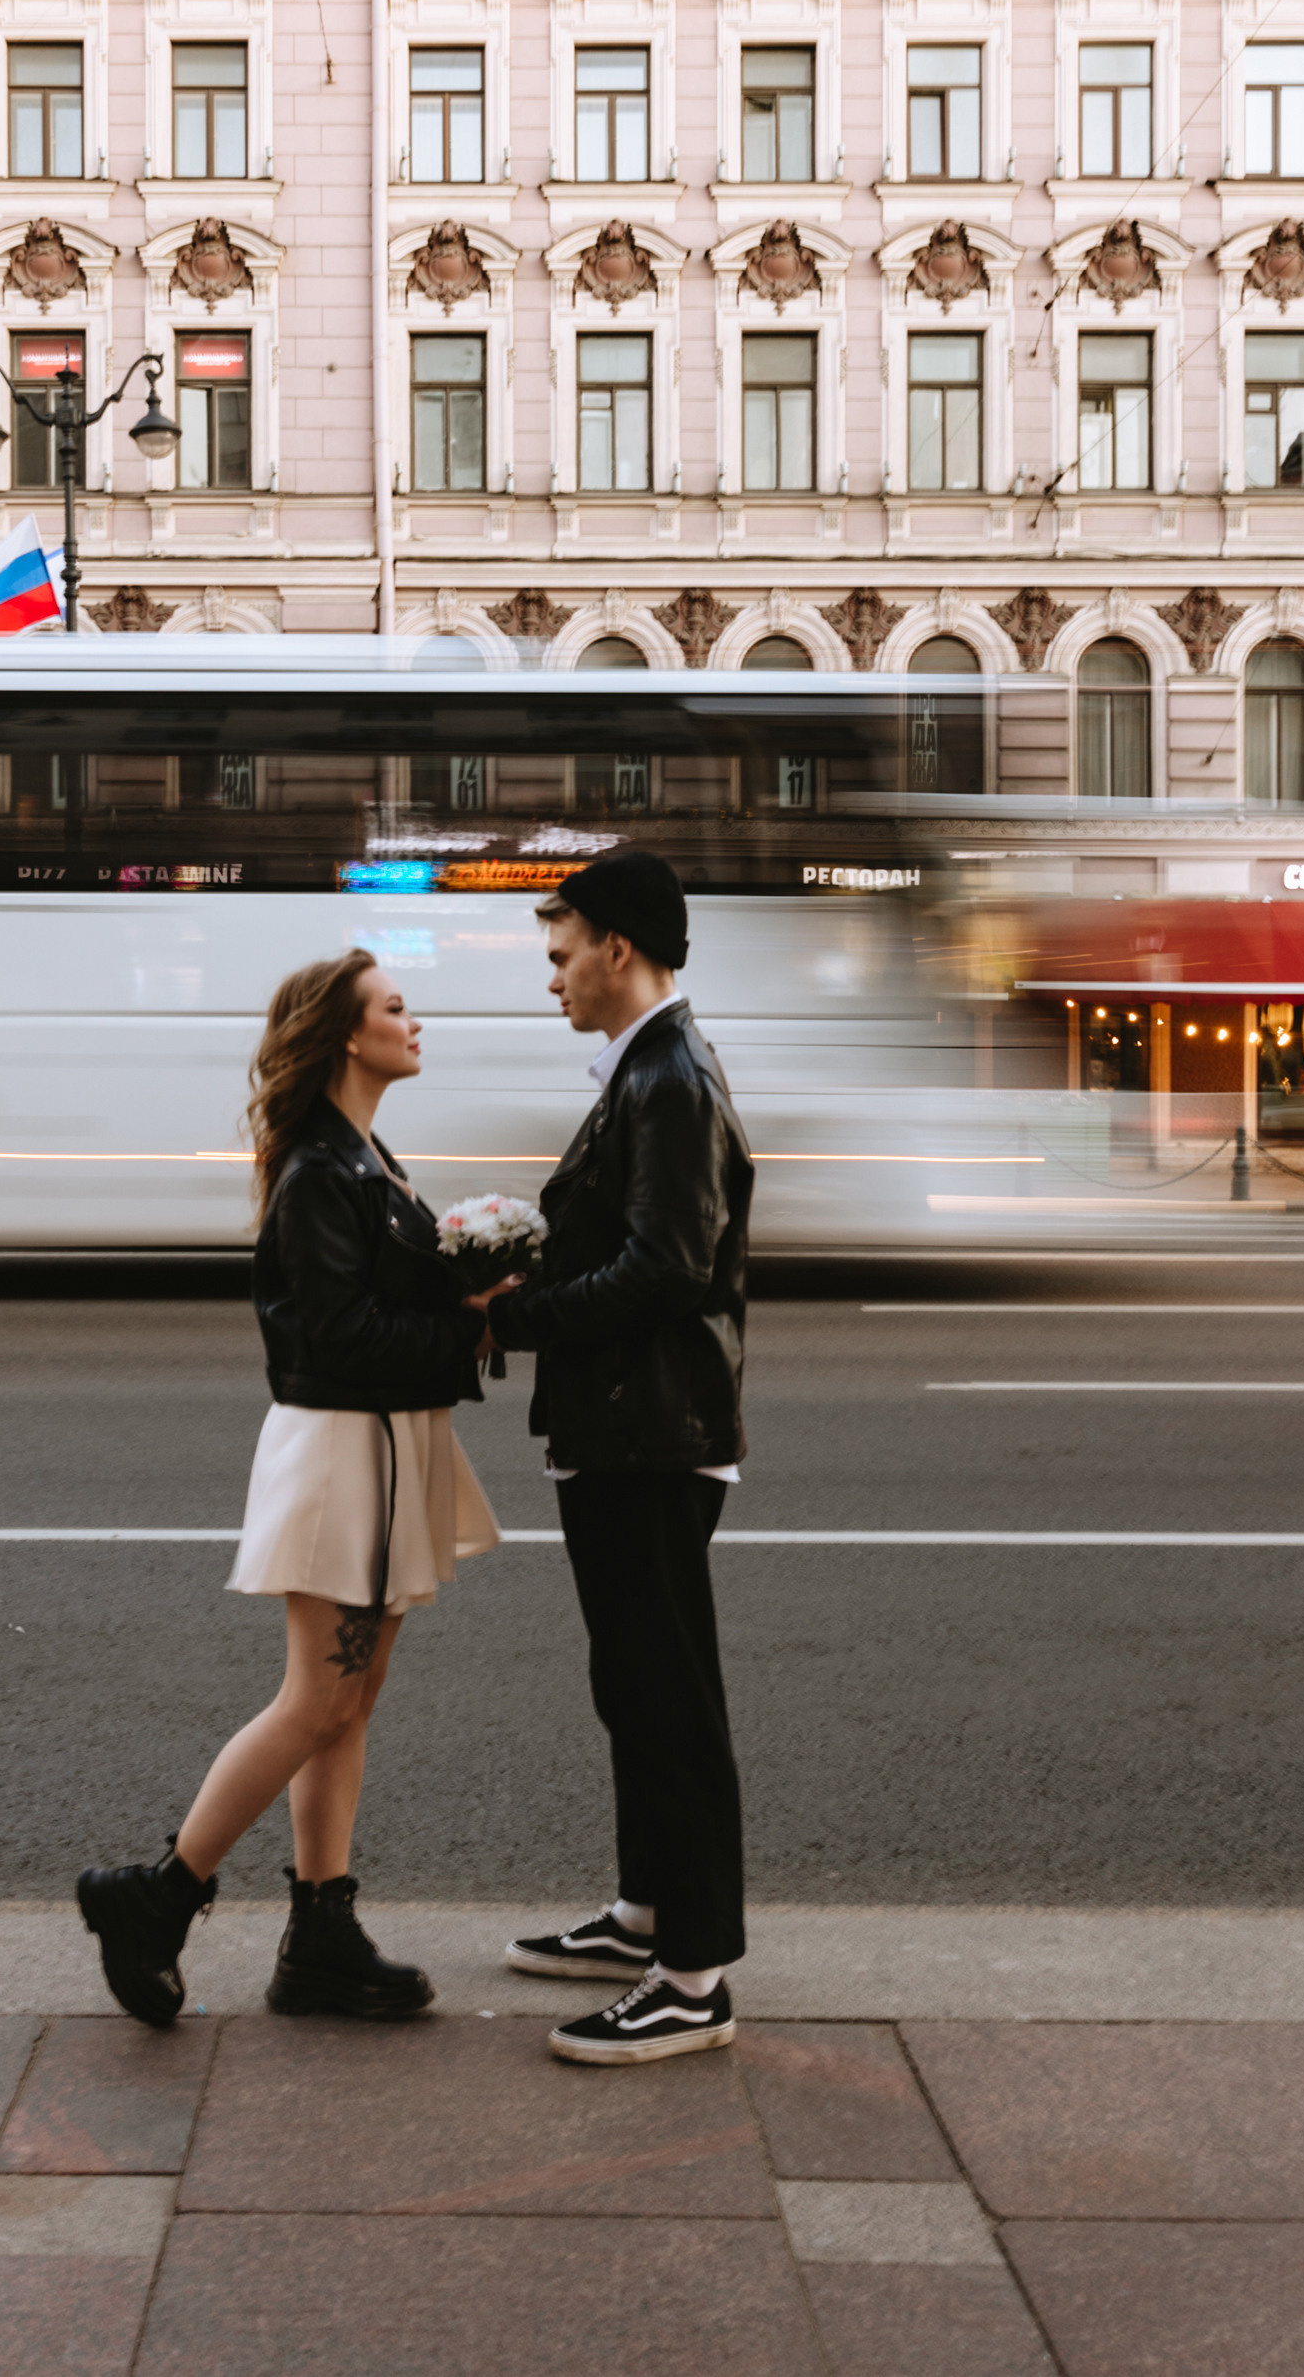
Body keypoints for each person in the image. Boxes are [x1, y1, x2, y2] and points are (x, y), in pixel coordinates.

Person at [77, 952, 513, 2027]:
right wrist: (469, 1322)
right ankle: (159, 1894)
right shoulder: (323, 1167)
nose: (416, 1021)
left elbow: (374, 1299)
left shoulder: (363, 1153)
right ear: (344, 1034)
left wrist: (473, 1277)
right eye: (395, 1008)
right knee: (315, 1697)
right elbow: (336, 1332)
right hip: (341, 1457)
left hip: (381, 1446)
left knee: (348, 1702)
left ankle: (320, 1930)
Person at [490, 848, 754, 2066]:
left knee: (666, 1701)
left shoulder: (667, 1077)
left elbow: (667, 1264)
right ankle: (647, 1910)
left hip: (651, 1433)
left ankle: (691, 1976)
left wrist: (514, 1313)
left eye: (560, 954)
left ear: (616, 948)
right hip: (624, 1425)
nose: (550, 978)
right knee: (629, 1687)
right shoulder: (647, 1069)